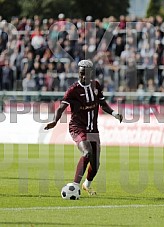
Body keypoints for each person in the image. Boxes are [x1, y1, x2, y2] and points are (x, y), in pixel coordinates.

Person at [44, 60, 123, 195]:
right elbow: (61, 107)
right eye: (81, 74)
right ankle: (75, 186)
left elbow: (103, 104)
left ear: (91, 73)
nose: (83, 77)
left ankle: (87, 184)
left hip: (93, 130)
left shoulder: (96, 86)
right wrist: (54, 121)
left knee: (95, 165)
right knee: (87, 152)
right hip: (77, 127)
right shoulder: (73, 90)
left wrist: (114, 114)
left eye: (86, 74)